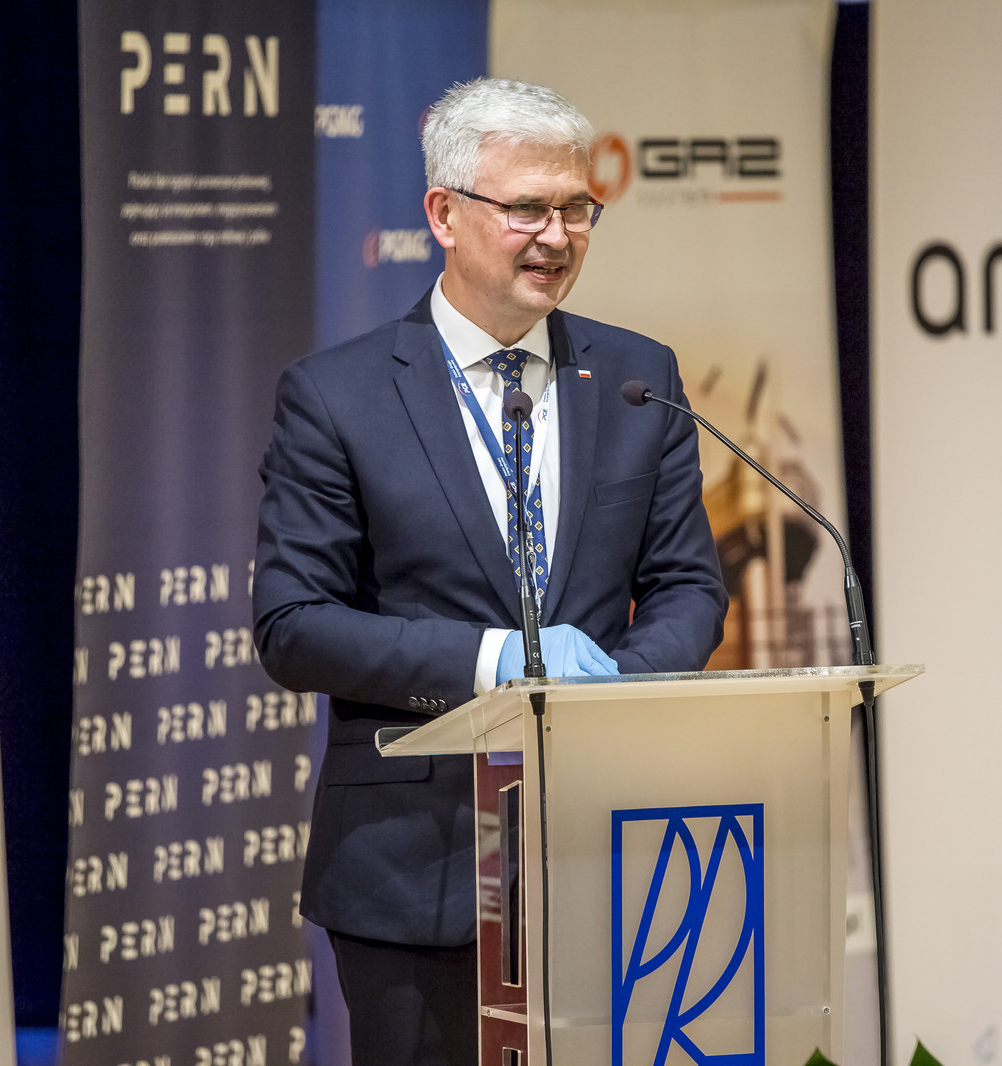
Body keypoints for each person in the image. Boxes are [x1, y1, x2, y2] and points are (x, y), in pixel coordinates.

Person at [253, 77, 726, 1066]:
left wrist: (612, 693)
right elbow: (294, 625)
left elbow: (688, 586)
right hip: (414, 871)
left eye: (576, 209)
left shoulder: (638, 377)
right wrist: (496, 662)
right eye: (527, 210)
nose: (557, 237)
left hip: (610, 847)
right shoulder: (337, 396)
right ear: (444, 214)